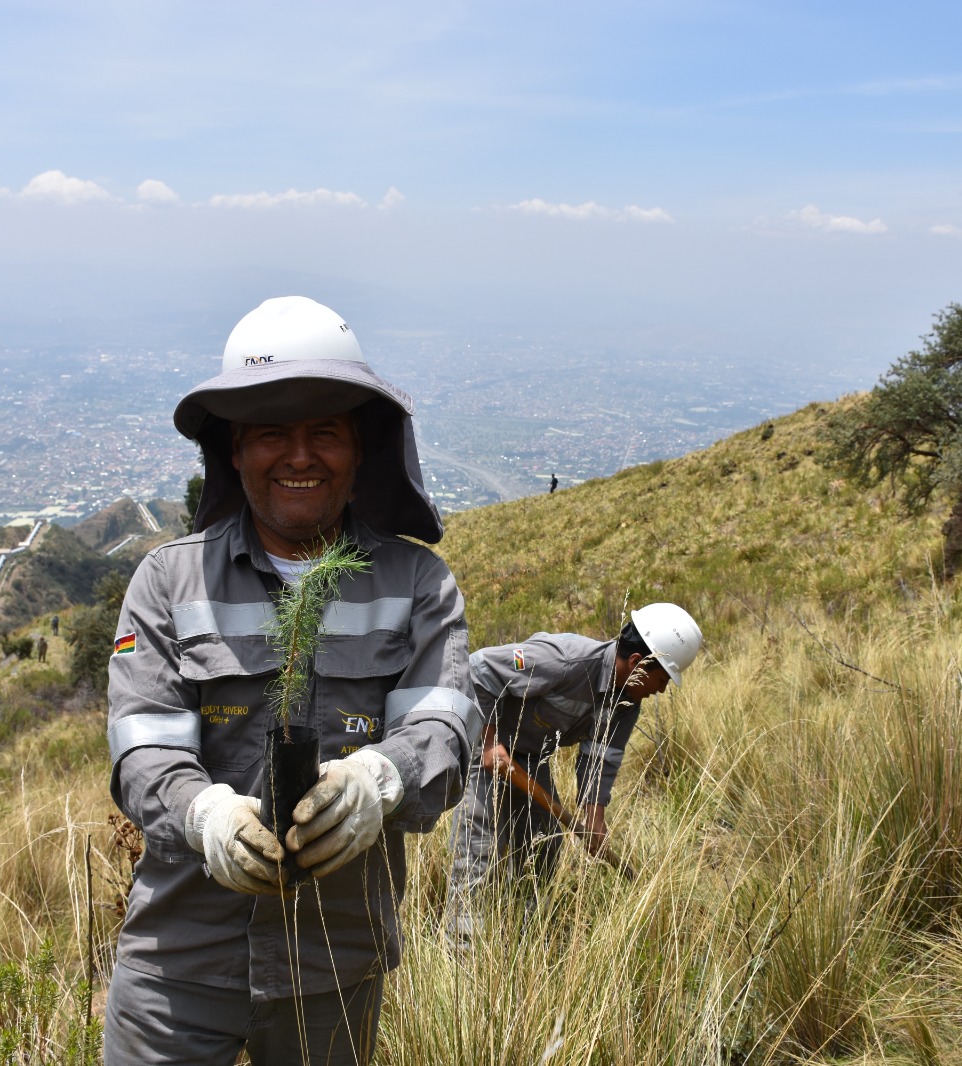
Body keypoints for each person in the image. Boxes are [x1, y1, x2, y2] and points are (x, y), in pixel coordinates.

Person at [104, 296, 480, 1065]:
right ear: (234, 449)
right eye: (272, 432)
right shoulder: (168, 582)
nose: (299, 456)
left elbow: (442, 730)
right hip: (177, 965)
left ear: (361, 449)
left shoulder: (417, 585)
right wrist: (203, 813)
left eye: (324, 432)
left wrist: (381, 779)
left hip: (333, 968)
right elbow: (142, 749)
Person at [444, 603, 701, 938]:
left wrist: (594, 819)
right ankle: (462, 953)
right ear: (638, 663)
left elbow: (602, 758)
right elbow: (479, 669)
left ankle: (522, 938)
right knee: (480, 844)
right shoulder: (565, 660)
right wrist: (491, 741)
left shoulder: (626, 703)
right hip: (483, 742)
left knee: (544, 843)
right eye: (663, 677)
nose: (662, 689)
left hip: (530, 756)